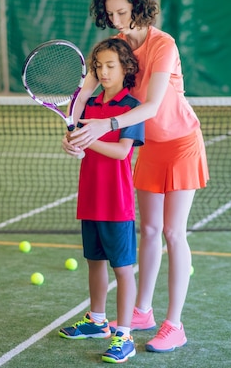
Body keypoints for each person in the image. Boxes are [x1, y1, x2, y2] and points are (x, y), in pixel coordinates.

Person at [63, 0, 209, 353]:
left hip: (180, 145)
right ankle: (141, 312)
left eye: (122, 12)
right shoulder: (117, 47)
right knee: (148, 230)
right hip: (150, 148)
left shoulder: (164, 46)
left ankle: (174, 324)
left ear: (140, 7)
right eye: (110, 13)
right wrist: (74, 125)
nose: (116, 20)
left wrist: (103, 125)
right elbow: (86, 90)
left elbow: (152, 106)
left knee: (173, 234)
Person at [59, 38, 144, 364]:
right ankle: (96, 321)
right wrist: (72, 144)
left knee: (123, 270)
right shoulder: (89, 105)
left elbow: (122, 151)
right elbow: (77, 142)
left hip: (117, 202)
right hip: (90, 198)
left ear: (126, 68)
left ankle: (124, 334)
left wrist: (88, 138)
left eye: (111, 65)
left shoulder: (132, 108)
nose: (104, 71)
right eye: (99, 66)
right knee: (94, 262)